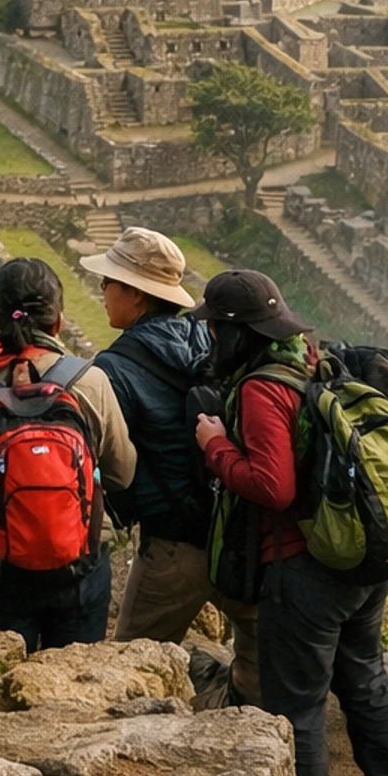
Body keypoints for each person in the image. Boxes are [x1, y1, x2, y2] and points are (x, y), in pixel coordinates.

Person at [194, 268, 388, 776]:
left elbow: (272, 486)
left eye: (215, 331)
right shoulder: (316, 362)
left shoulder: (260, 388)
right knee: (366, 678)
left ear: (236, 334)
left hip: (305, 568)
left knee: (295, 703)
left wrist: (215, 447)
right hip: (360, 556)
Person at [84, 227, 262, 706]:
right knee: (260, 657)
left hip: (173, 545)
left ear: (136, 296)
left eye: (110, 283)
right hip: (237, 529)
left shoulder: (113, 369)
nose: (103, 293)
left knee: (128, 669)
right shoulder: (208, 342)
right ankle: (242, 711)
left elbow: (115, 462)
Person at [0, 255, 136, 651]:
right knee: (76, 683)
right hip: (79, 565)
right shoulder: (90, 381)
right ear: (59, 320)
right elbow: (122, 473)